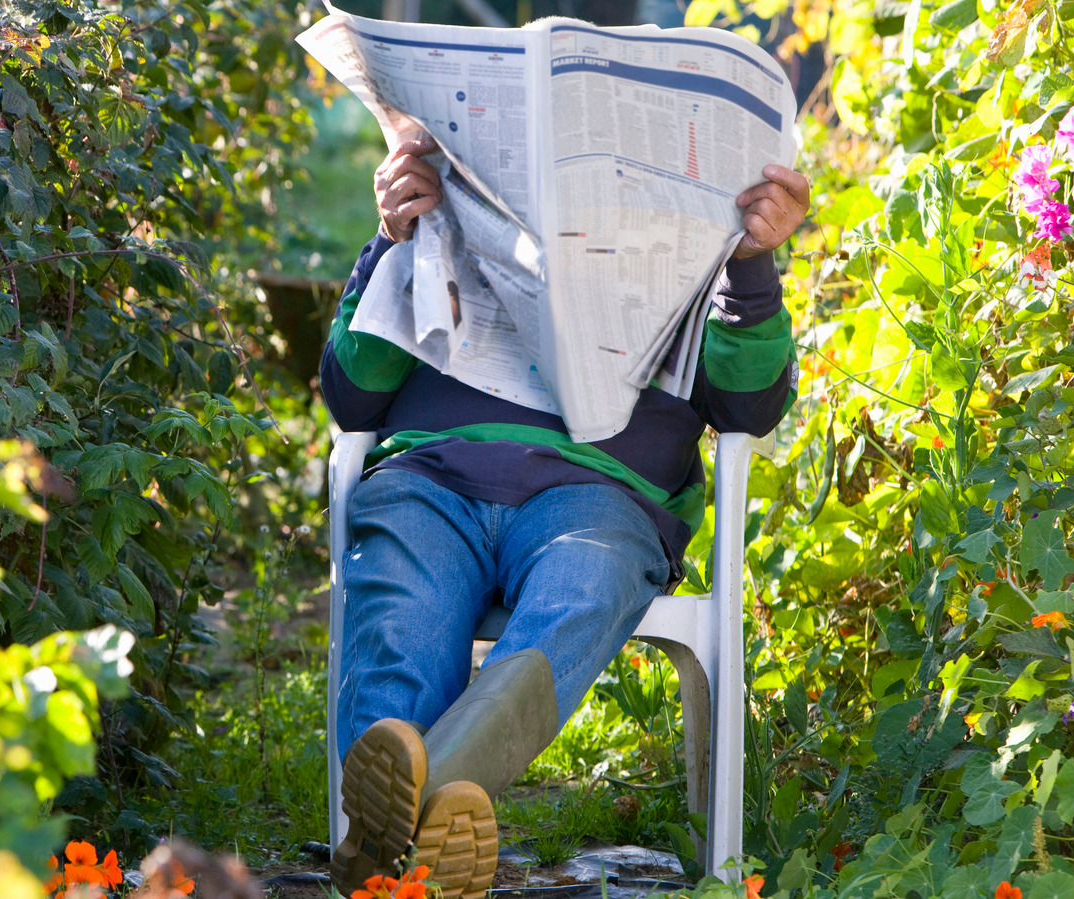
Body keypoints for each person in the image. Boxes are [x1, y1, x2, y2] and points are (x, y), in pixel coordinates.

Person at [322, 134, 810, 899]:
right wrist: (393, 237)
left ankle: (392, 844)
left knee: (580, 586)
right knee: (402, 613)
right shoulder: (429, 207)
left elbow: (749, 407)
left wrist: (750, 263)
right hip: (430, 475)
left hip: (601, 491)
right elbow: (351, 395)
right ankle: (417, 839)